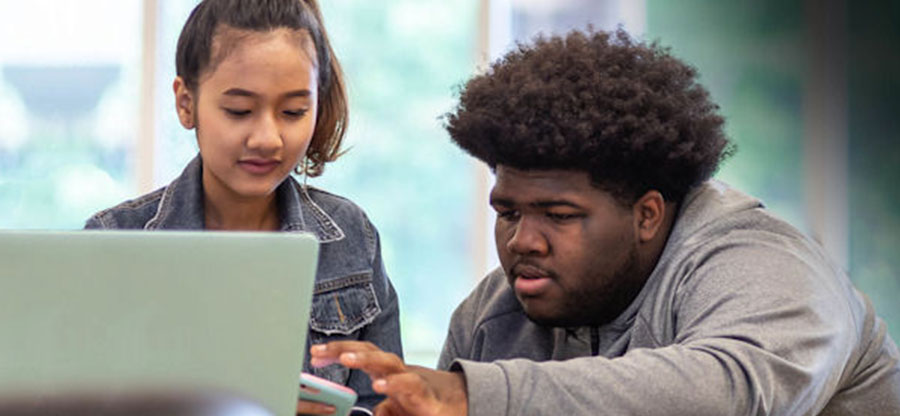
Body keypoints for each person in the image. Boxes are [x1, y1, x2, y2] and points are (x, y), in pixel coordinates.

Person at [309, 29, 900, 415]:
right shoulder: (492, 319)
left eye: (559, 216)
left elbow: (732, 392)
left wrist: (475, 395)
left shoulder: (764, 267)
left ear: (647, 214)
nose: (522, 241)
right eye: (507, 211)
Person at [84, 1, 402, 414]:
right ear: (185, 103)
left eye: (293, 112)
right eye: (239, 110)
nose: (268, 138)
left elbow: (386, 403)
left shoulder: (351, 237)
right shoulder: (115, 241)